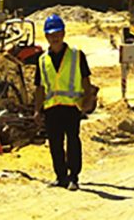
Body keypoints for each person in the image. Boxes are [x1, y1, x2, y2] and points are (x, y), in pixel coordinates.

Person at [33, 14, 92, 191]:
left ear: (64, 33)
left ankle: (73, 176)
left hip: (72, 107)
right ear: (46, 36)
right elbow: (39, 88)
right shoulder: (42, 60)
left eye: (57, 33)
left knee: (73, 141)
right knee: (55, 144)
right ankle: (61, 177)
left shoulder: (76, 55)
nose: (55, 37)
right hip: (51, 108)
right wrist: (37, 109)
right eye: (51, 34)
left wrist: (87, 101)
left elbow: (86, 81)